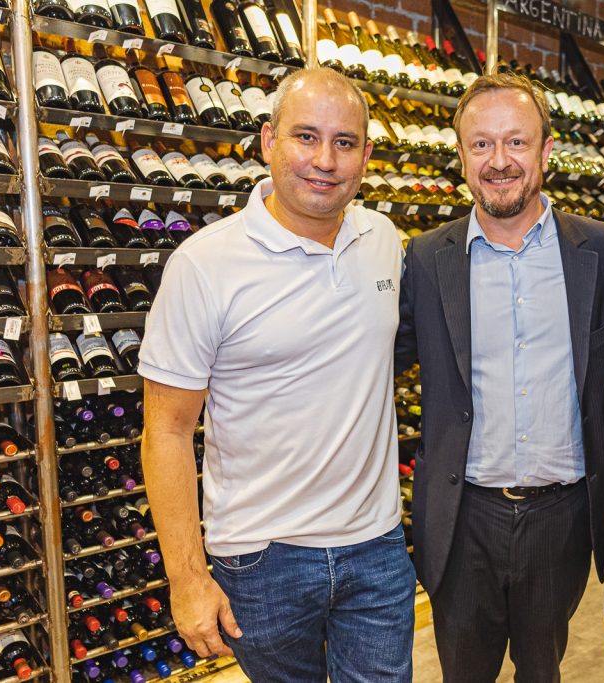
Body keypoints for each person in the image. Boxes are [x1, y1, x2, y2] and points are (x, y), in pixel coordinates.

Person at [139, 68, 414, 683]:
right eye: (306, 137)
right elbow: (166, 432)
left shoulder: (383, 239)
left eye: (345, 142)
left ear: (367, 154)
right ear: (268, 141)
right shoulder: (204, 265)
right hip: (262, 561)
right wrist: (186, 581)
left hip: (377, 546)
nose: (325, 160)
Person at [395, 69, 604, 683]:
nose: (499, 161)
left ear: (547, 151)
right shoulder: (424, 257)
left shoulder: (603, 252)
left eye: (516, 142)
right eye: (481, 144)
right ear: (462, 156)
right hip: (462, 513)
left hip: (563, 516)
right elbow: (377, 360)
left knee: (543, 671)